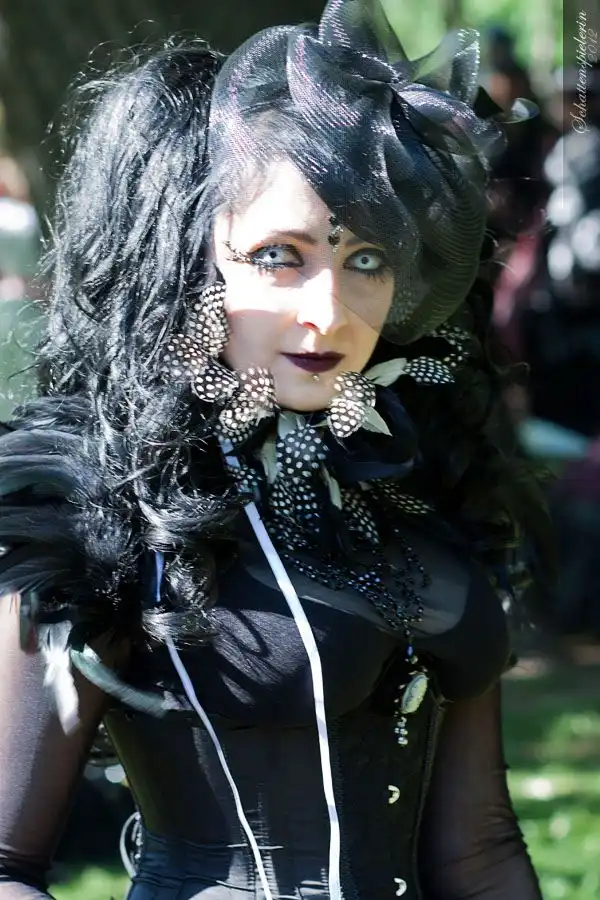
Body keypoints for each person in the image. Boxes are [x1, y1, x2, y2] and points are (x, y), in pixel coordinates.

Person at [0, 1, 550, 898]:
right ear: (188, 261)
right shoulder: (100, 512)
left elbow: (480, 852)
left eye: (368, 258)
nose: (329, 313)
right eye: (278, 255)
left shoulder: (415, 483)